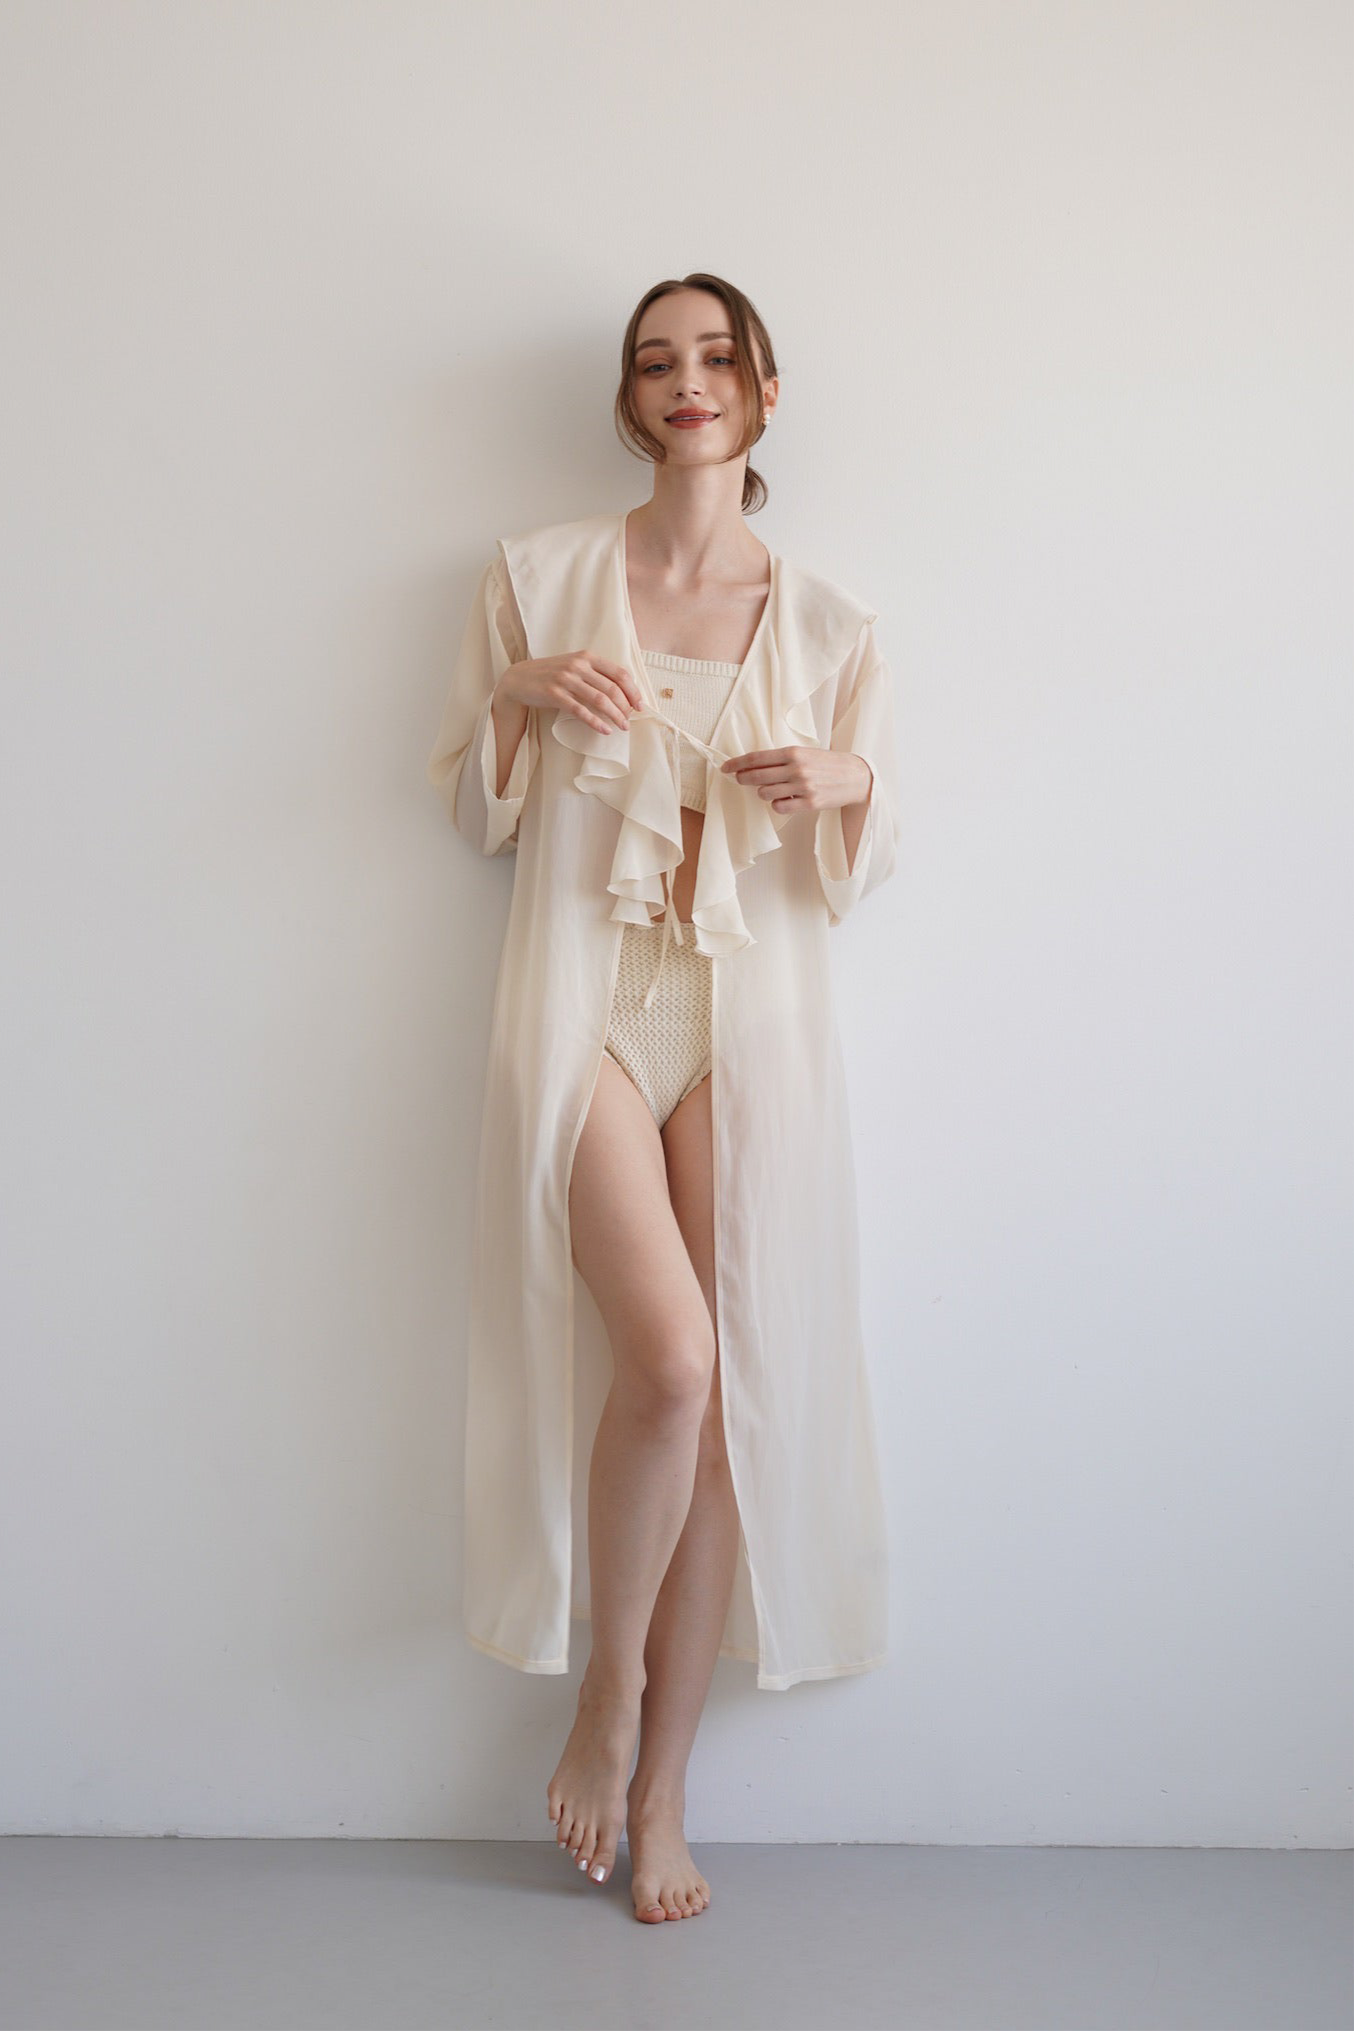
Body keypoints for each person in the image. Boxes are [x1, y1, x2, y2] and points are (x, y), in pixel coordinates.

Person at [427, 273, 900, 1924]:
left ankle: (664, 1790)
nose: (685, 381)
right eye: (655, 362)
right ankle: (608, 1691)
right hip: (583, 1013)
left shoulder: (829, 623)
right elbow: (475, 810)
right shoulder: (539, 575)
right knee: (674, 1358)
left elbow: (858, 864)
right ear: (630, 402)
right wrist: (518, 695)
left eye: (714, 356)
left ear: (763, 388)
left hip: (746, 1026)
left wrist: (851, 777)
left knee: (723, 1399)